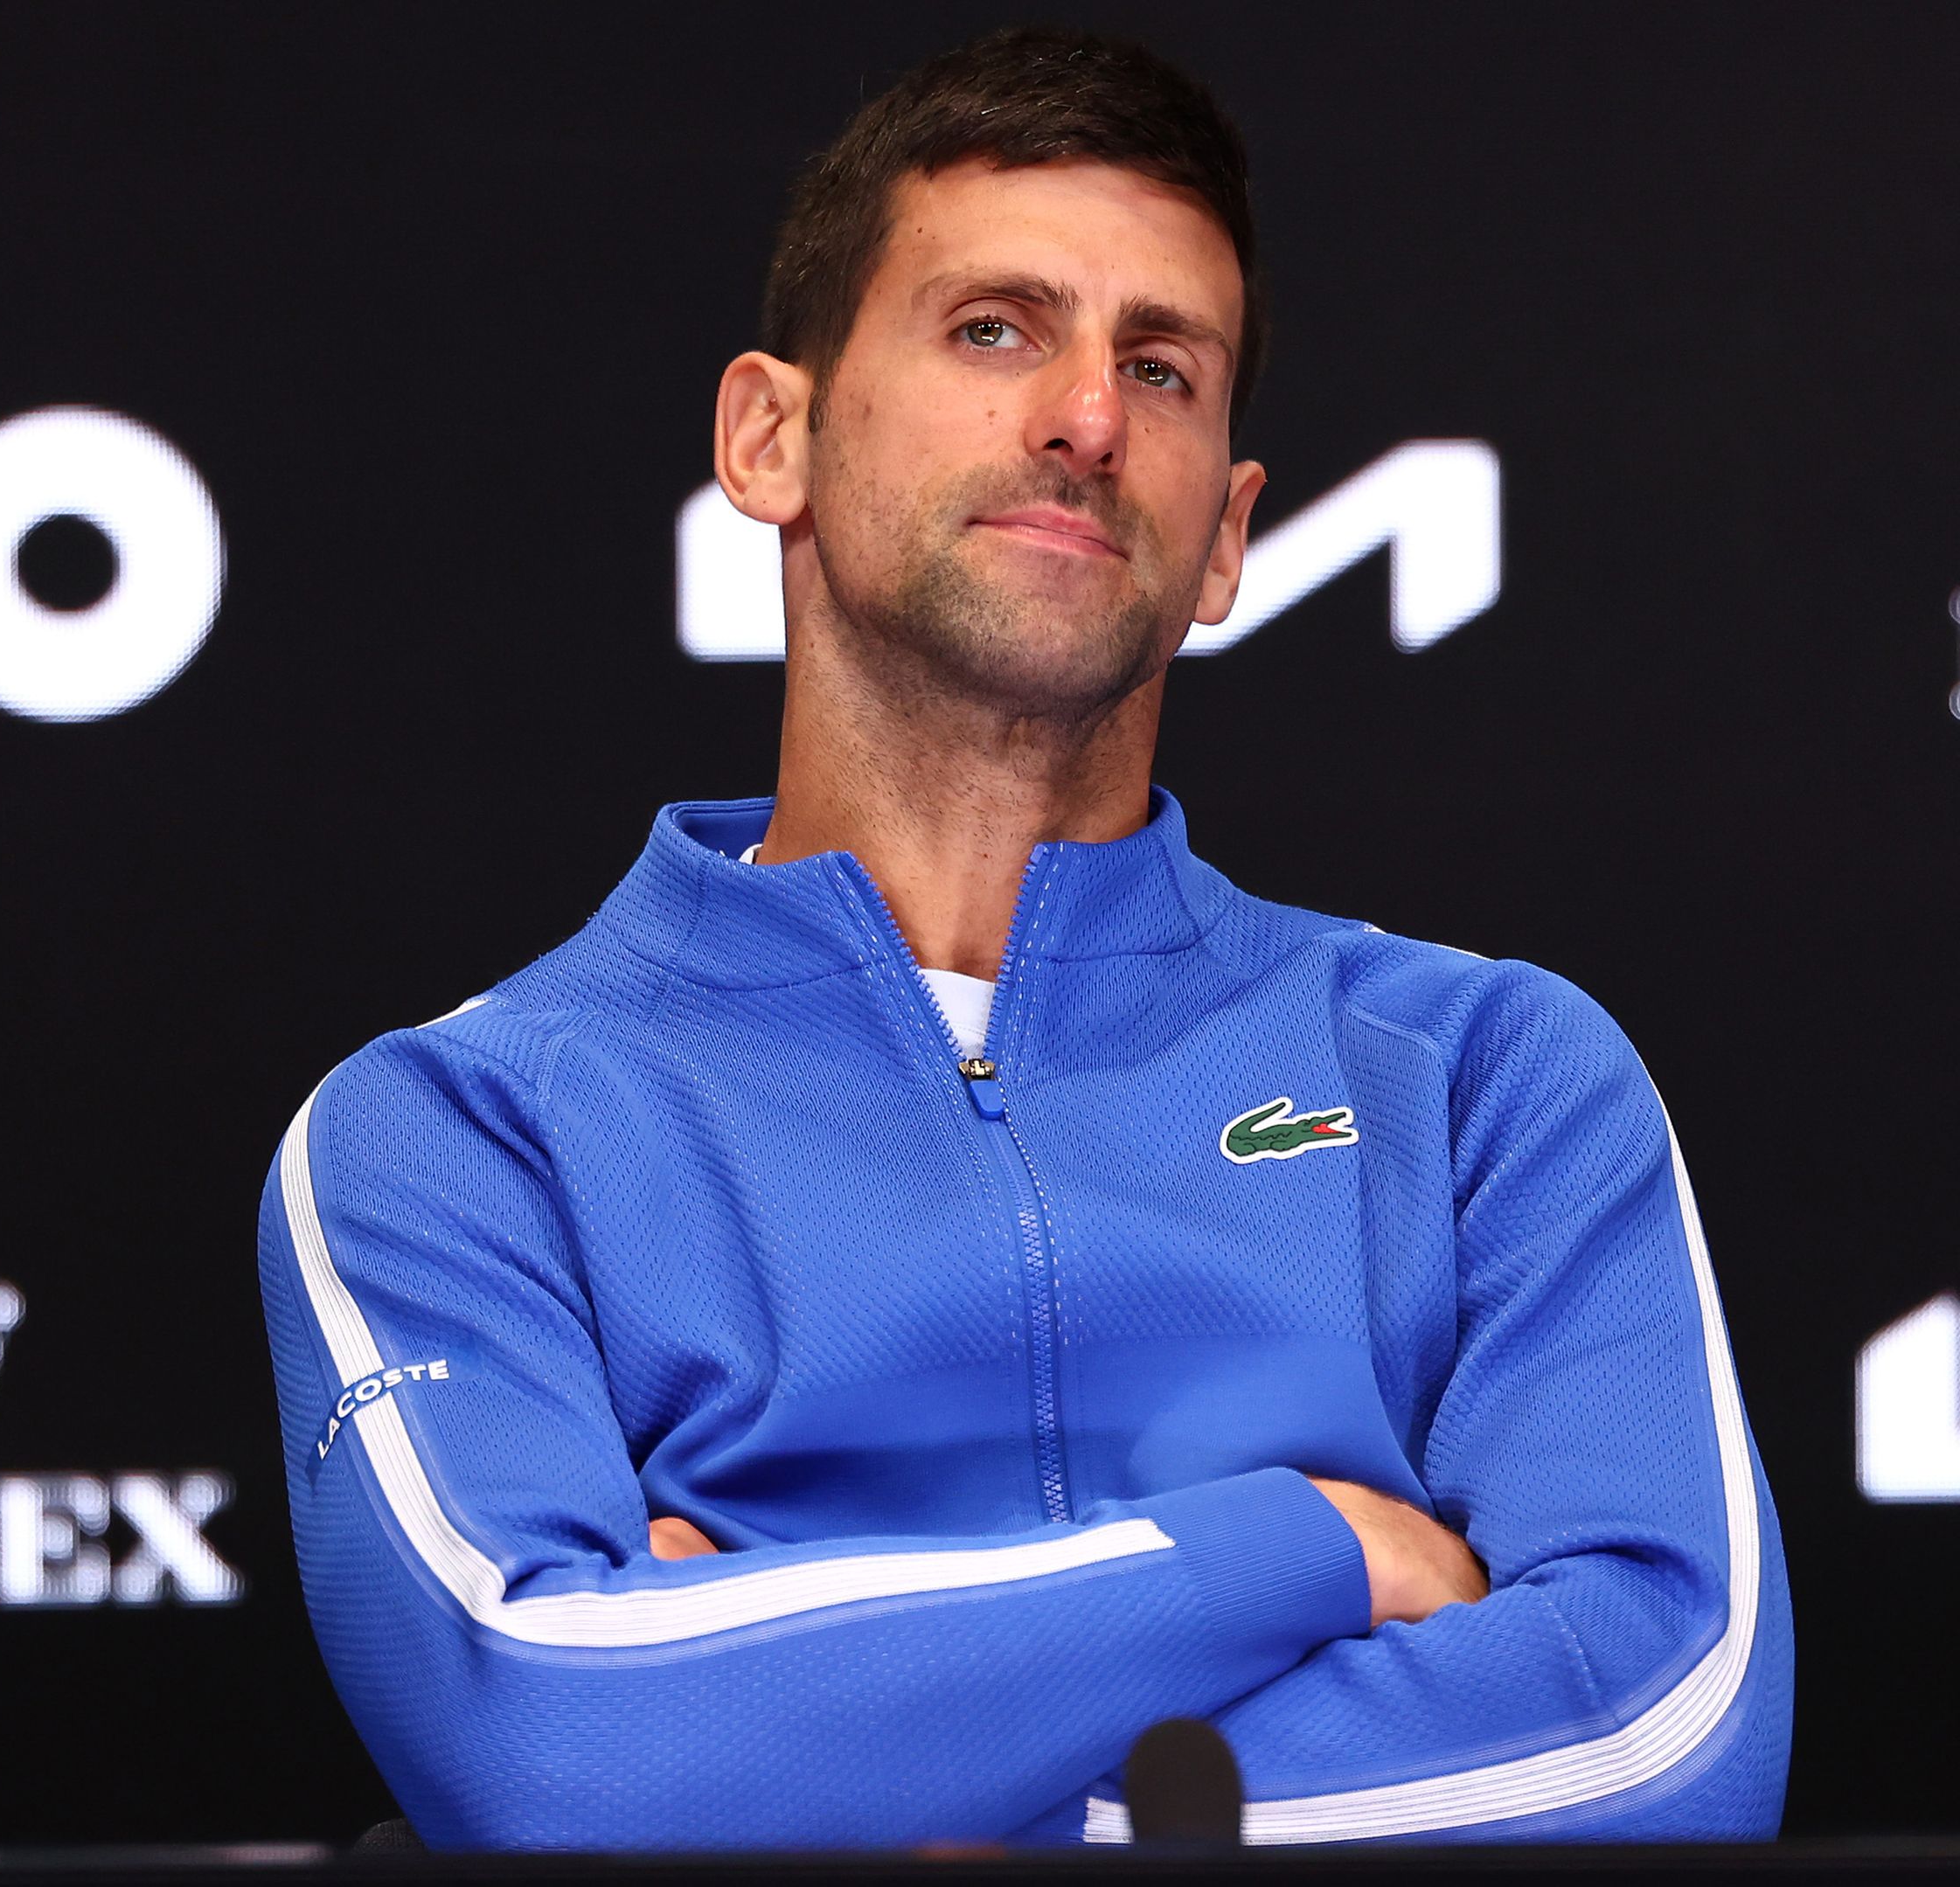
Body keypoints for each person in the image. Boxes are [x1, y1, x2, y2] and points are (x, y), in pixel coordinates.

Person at [256, 26, 1789, 1849]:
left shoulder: (1488, 1077)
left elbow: (1657, 1740)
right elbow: (553, 1739)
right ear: (772, 435)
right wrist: (1309, 1548)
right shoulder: (449, 1131)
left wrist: (833, 1763)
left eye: (1161, 365)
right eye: (996, 328)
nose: (1083, 417)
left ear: (1226, 542)